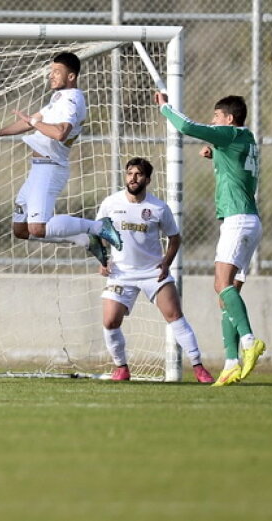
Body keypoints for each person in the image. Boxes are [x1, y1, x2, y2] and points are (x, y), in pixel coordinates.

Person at [154, 91, 265, 386]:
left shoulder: (228, 133)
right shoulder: (247, 137)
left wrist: (166, 107)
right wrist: (214, 153)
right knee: (227, 298)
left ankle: (250, 341)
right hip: (248, 220)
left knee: (221, 285)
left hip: (237, 221)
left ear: (229, 119)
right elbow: (237, 165)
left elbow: (188, 127)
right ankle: (231, 363)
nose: (213, 122)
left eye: (216, 117)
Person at [0, 51, 121, 265]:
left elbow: (60, 133)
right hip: (38, 168)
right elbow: (29, 122)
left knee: (38, 227)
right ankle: (85, 240)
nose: (51, 76)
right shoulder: (58, 98)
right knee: (21, 230)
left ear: (71, 76)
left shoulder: (72, 100)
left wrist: (34, 123)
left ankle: (99, 227)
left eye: (56, 72)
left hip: (51, 167)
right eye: (50, 71)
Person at [95, 157, 213, 384]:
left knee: (175, 316)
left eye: (138, 174)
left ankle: (199, 367)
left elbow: (175, 238)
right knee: (110, 321)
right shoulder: (111, 203)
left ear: (147, 179)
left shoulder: (158, 207)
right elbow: (97, 232)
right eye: (130, 173)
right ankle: (121, 368)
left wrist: (166, 263)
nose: (133, 178)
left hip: (153, 272)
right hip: (122, 273)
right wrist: (103, 260)